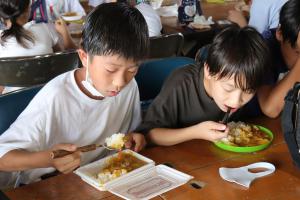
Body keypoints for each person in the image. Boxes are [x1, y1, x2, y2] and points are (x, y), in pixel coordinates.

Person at [0, 2, 148, 189]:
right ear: (84, 57)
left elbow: (129, 134)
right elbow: (2, 157)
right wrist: (49, 159)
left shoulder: (129, 87)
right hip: (48, 184)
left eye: (132, 70)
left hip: (99, 180)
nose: (120, 82)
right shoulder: (56, 97)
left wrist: (133, 137)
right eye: (111, 69)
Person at [136, 24, 270, 146]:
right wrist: (196, 132)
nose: (236, 101)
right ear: (208, 71)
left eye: (248, 91)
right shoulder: (181, 83)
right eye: (228, 88)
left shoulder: (241, 82)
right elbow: (149, 135)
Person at [0, 0, 76, 94]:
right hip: (49, 95)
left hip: (11, 101)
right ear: (28, 10)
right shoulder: (45, 28)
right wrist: (65, 33)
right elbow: (67, 61)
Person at [242, 0, 300, 118]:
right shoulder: (263, 49)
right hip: (249, 122)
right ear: (280, 33)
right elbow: (270, 109)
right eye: (298, 52)